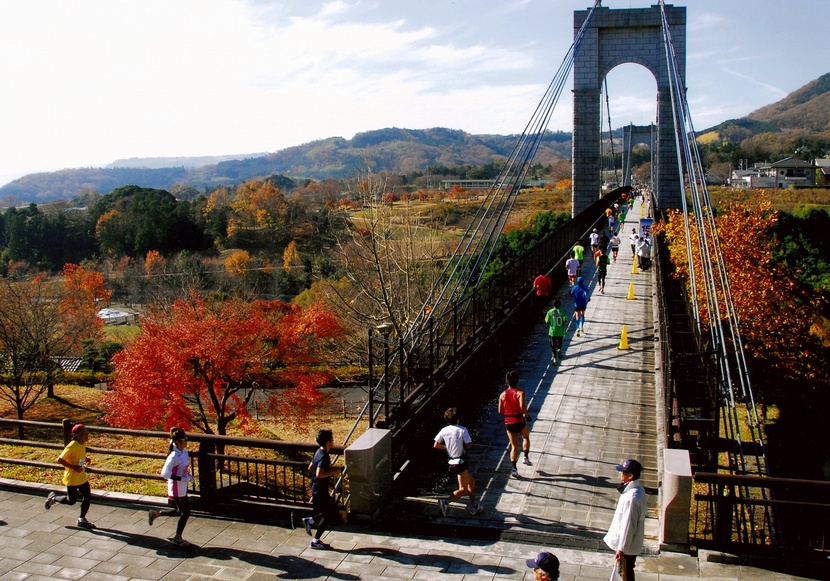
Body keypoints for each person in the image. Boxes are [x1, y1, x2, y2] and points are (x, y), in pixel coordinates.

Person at [148, 427, 193, 546]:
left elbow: (182, 468)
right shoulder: (174, 456)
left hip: (182, 486)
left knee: (180, 511)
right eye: (184, 440)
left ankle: (156, 514)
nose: (186, 442)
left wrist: (188, 475)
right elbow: (165, 473)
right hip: (176, 487)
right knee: (186, 512)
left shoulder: (184, 452)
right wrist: (180, 478)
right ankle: (178, 537)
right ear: (178, 442)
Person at [45, 423, 95, 529]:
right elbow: (60, 460)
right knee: (71, 501)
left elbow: (77, 455)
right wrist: (74, 467)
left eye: (87, 432)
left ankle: (82, 519)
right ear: (77, 435)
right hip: (72, 478)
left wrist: (85, 458)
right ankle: (53, 498)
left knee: (87, 496)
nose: (87, 435)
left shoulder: (82, 443)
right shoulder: (72, 445)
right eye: (85, 433)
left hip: (81, 476)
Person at [604, 459, 647, 581]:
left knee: (625, 574)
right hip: (629, 545)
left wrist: (621, 548)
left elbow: (629, 525)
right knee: (625, 571)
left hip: (627, 546)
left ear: (630, 475)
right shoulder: (637, 490)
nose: (620, 474)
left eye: (623, 472)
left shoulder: (632, 497)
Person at [434, 407, 482, 515]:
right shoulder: (462, 430)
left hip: (451, 461)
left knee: (471, 482)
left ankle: (475, 505)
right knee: (463, 489)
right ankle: (445, 502)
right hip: (460, 461)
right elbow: (469, 445)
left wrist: (447, 447)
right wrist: (465, 444)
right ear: (458, 419)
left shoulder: (444, 430)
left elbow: (436, 445)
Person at [302, 429, 345, 549]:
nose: (333, 442)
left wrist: (329, 468)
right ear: (327, 442)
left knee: (329, 512)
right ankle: (315, 540)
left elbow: (311, 467)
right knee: (329, 514)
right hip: (320, 490)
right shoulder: (325, 456)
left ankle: (310, 521)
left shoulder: (318, 452)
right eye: (332, 440)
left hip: (317, 489)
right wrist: (333, 472)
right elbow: (318, 473)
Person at [498, 371, 532, 477]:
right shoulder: (520, 393)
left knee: (514, 446)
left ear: (506, 381)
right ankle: (525, 457)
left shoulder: (502, 395)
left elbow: (500, 411)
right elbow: (522, 407)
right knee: (525, 437)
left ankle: (514, 469)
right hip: (519, 420)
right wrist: (527, 416)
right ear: (517, 381)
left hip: (509, 422)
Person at [544, 298, 566, 365]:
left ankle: (554, 359)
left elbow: (547, 321)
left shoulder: (550, 312)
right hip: (560, 331)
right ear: (560, 305)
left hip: (552, 332)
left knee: (553, 346)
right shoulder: (563, 311)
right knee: (559, 342)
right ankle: (559, 349)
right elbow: (565, 320)